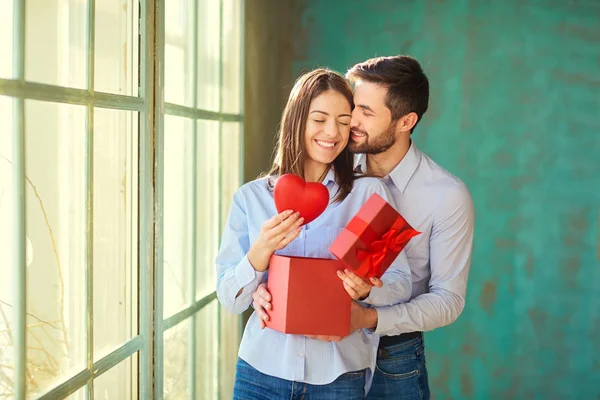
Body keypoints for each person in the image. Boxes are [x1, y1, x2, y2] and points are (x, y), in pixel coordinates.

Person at [253, 55, 475, 399]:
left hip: (394, 355)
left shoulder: (446, 195)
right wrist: (261, 286)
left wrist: (367, 318)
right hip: (328, 355)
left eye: (366, 113)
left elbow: (448, 300)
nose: (350, 121)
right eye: (353, 108)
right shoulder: (329, 171)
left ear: (406, 121)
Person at [215, 68, 413, 399]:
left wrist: (366, 293)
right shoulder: (251, 198)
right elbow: (228, 299)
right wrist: (258, 257)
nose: (332, 132)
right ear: (296, 121)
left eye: (343, 120)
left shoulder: (369, 196)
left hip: (338, 378)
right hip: (261, 373)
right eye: (319, 119)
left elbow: (401, 284)